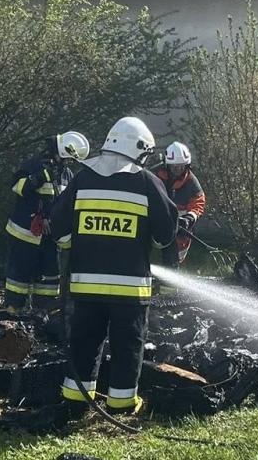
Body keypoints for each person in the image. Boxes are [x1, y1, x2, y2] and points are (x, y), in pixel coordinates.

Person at [48, 117, 177, 415]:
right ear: (139, 150)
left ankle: (76, 400)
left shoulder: (82, 179)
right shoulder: (147, 182)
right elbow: (163, 236)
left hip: (85, 286)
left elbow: (61, 230)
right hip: (129, 291)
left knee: (84, 342)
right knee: (128, 346)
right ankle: (121, 402)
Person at [3, 131, 88, 309]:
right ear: (62, 152)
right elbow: (18, 187)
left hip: (51, 238)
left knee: (49, 279)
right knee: (19, 277)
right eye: (68, 159)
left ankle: (44, 314)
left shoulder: (67, 174)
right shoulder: (33, 165)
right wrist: (40, 178)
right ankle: (12, 313)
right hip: (25, 234)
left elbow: (66, 203)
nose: (69, 163)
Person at [154, 141, 206, 267]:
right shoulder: (156, 177)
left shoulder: (191, 182)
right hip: (156, 227)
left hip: (180, 232)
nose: (178, 170)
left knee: (172, 263)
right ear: (167, 166)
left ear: (186, 166)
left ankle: (169, 282)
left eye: (181, 167)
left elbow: (198, 202)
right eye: (174, 167)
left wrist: (189, 219)